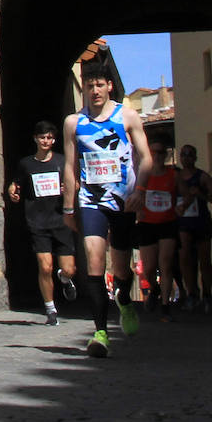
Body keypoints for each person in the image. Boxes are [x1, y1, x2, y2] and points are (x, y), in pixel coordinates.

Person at [62, 59, 152, 358]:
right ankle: (100, 333)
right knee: (94, 262)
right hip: (91, 200)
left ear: (109, 86)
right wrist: (68, 207)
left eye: (99, 85)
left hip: (123, 199)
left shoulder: (127, 117)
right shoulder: (74, 123)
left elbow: (146, 158)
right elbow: (70, 166)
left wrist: (140, 190)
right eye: (89, 86)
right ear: (84, 89)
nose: (94, 90)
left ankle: (124, 298)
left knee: (122, 266)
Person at [8, 121, 78, 326]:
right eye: (42, 137)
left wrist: (70, 190)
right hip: (37, 221)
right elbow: (17, 183)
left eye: (49, 138)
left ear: (54, 140)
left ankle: (65, 279)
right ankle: (50, 309)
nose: (46, 141)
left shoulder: (62, 161)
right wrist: (13, 190)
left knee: (69, 269)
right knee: (45, 267)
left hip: (61, 220)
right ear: (35, 139)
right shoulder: (26, 164)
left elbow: (76, 183)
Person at [135, 135, 180, 322]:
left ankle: (165, 306)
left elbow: (188, 194)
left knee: (166, 265)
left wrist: (181, 208)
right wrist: (138, 212)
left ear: (166, 155)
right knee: (149, 268)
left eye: (161, 152)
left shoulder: (173, 175)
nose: (157, 155)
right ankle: (153, 289)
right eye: (153, 152)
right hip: (147, 225)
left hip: (168, 223)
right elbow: (134, 195)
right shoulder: (142, 175)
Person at [175, 143, 212, 313]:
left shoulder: (202, 177)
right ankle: (191, 293)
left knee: (204, 261)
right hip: (183, 223)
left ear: (195, 158)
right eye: (183, 154)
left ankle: (208, 294)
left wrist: (201, 194)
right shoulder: (177, 177)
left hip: (201, 222)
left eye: (189, 155)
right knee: (185, 259)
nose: (186, 158)